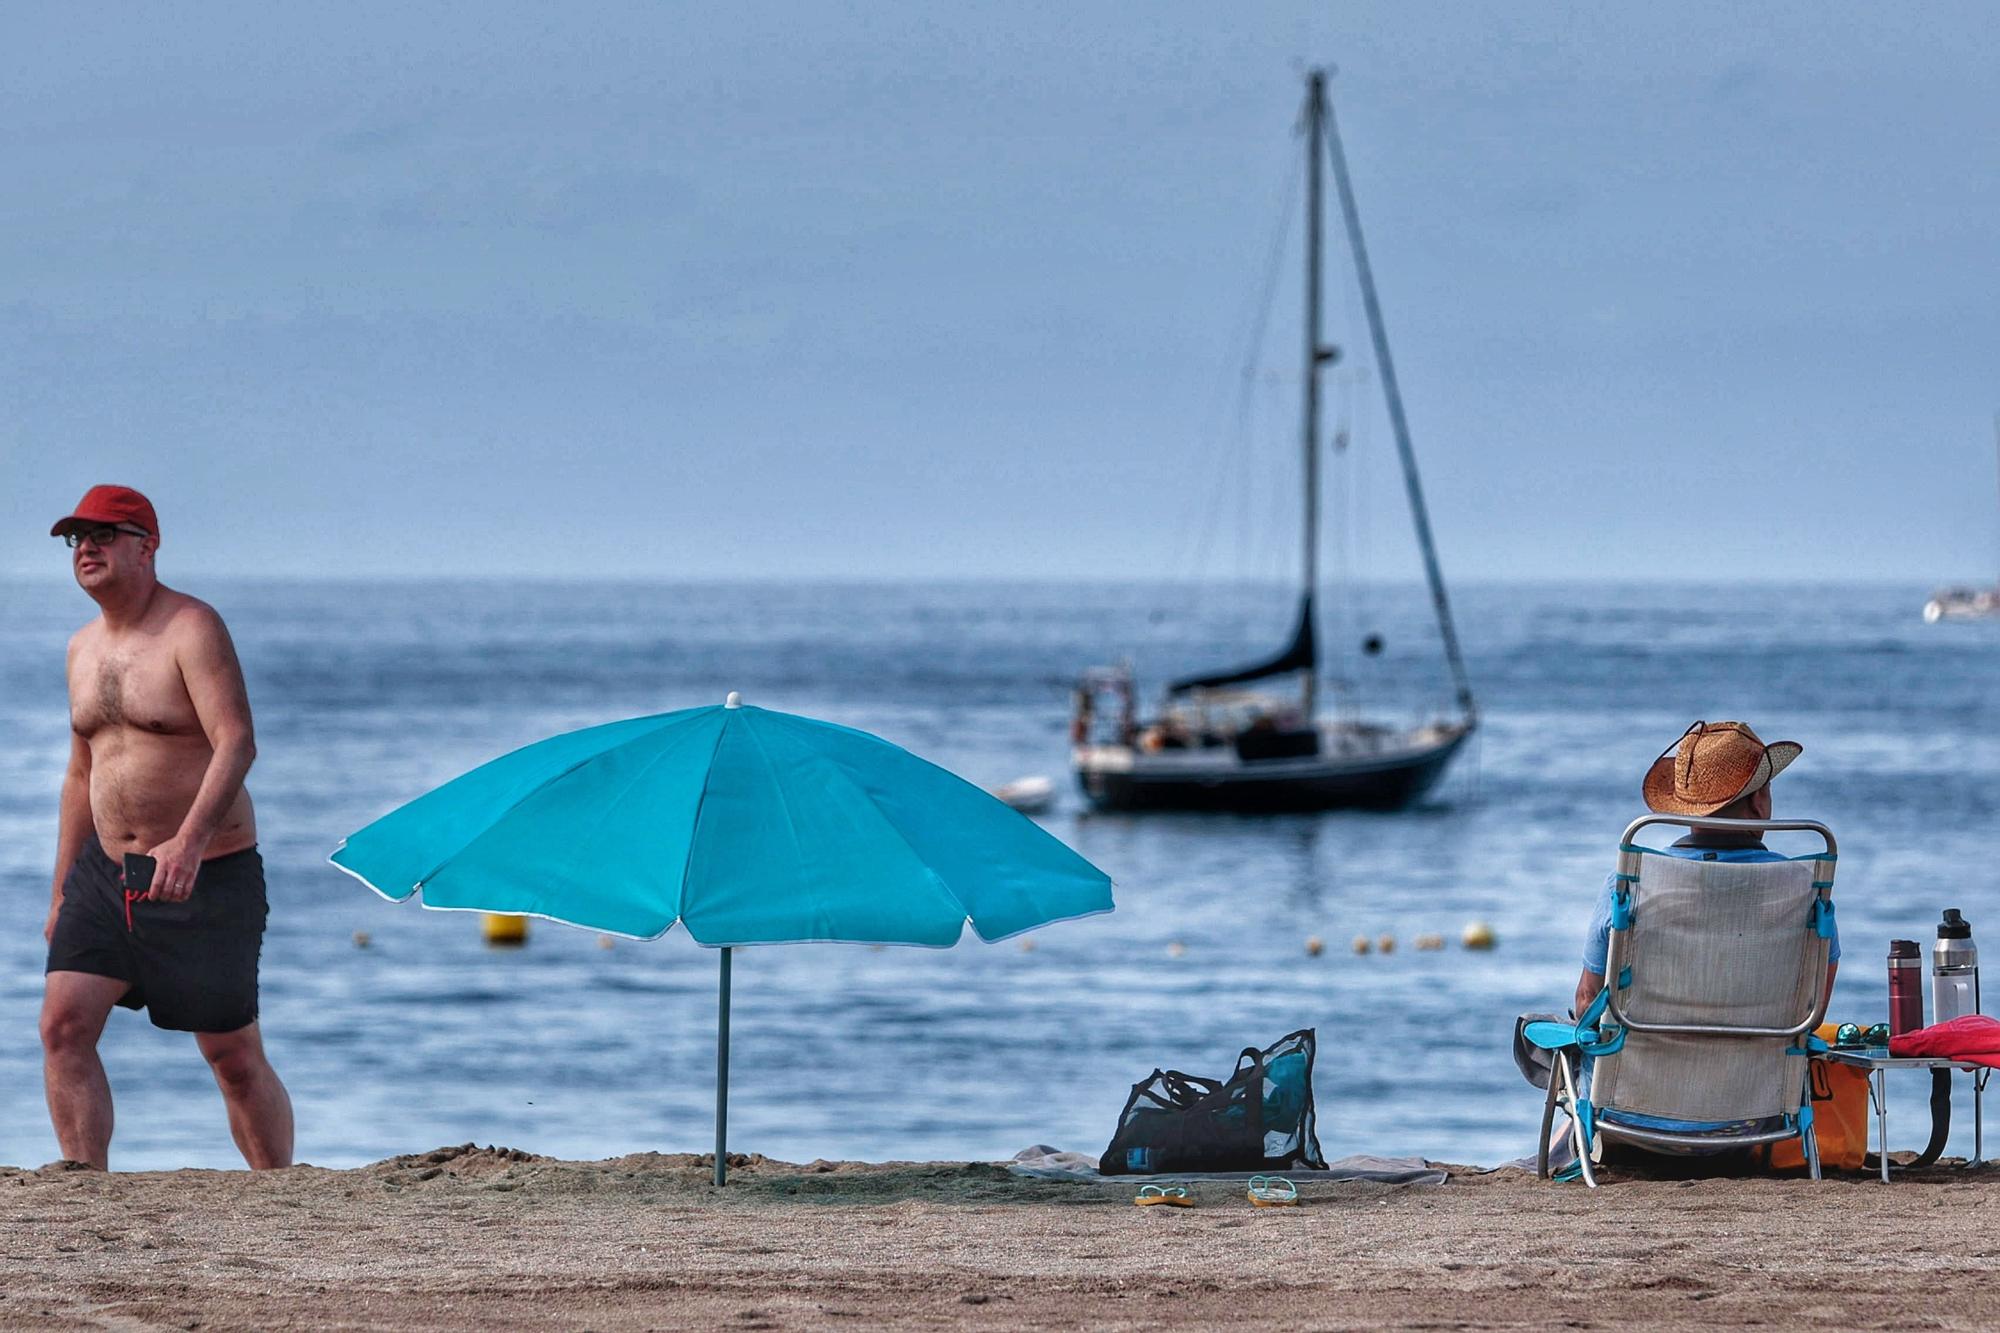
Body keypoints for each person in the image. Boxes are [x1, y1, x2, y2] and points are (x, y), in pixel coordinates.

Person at [40, 485, 293, 1170]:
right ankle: (84, 1181)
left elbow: (237, 741)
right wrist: (63, 885)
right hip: (105, 873)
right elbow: (78, 774)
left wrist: (189, 841)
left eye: (104, 534)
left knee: (232, 1055)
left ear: (147, 546)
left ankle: (278, 1192)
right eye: (76, 538)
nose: (86, 548)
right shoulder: (80, 649)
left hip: (206, 871)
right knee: (63, 1025)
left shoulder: (192, 628)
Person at [1574, 720, 1839, 1022]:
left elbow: (1588, 998)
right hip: (1761, 1068)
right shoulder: (1805, 888)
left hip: (1643, 1066)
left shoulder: (1631, 885)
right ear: (1759, 800)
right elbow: (1813, 1012)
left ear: (1686, 807)